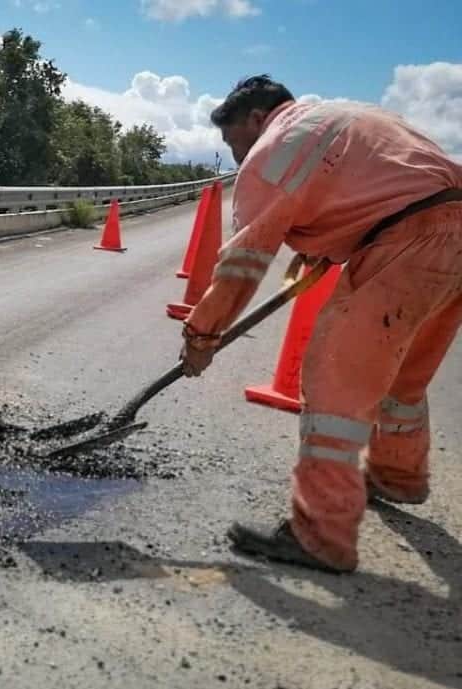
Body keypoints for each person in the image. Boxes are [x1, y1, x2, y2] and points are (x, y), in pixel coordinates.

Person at [179, 74, 462, 574]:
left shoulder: (274, 149)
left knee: (334, 380)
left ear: (257, 118)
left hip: (403, 244)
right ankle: (398, 476)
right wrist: (326, 247)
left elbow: (242, 263)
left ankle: (321, 536)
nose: (239, 156)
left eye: (234, 142)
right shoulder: (346, 116)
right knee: (403, 377)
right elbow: (371, 194)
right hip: (451, 228)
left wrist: (202, 334)